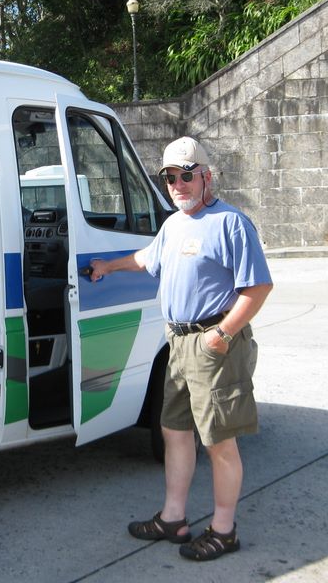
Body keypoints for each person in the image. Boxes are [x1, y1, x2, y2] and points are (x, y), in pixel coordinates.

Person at [89, 137, 273, 562]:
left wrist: (222, 335)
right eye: (170, 177)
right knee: (175, 430)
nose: (178, 184)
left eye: (186, 175)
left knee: (220, 441)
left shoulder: (231, 223)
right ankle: (174, 517)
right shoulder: (174, 225)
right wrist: (108, 266)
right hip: (178, 343)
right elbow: (146, 258)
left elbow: (258, 287)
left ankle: (224, 529)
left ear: (206, 176)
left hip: (214, 345)